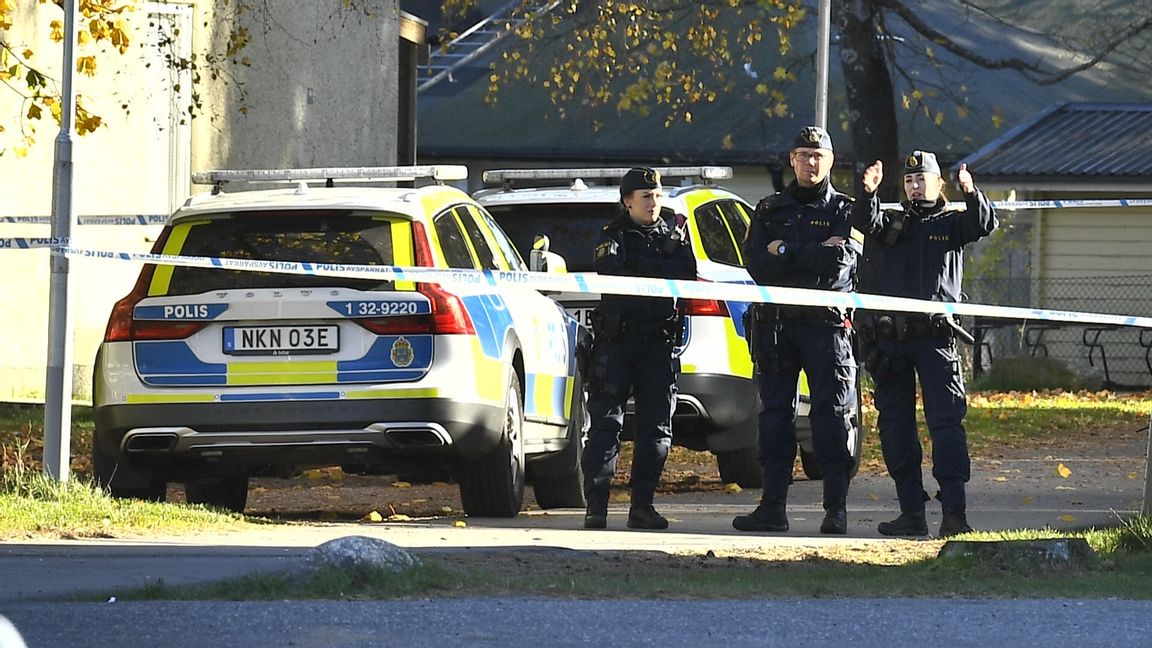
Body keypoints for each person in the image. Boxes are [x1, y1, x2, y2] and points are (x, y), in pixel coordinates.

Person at [853, 150, 998, 537]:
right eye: (909, 181)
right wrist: (868, 192)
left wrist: (971, 191)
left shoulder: (952, 223)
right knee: (896, 427)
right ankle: (911, 513)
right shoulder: (894, 223)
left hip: (935, 340)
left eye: (922, 180)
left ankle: (954, 514)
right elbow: (864, 222)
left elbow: (984, 223)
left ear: (938, 184)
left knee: (946, 424)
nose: (916, 187)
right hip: (892, 342)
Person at [733, 126, 862, 535]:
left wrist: (785, 252)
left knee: (830, 418)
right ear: (792, 159)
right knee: (774, 418)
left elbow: (840, 266)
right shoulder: (769, 209)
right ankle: (773, 508)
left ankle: (835, 510)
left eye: (818, 156)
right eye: (804, 155)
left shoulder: (846, 210)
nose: (811, 163)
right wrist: (811, 254)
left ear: (831, 161)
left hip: (825, 328)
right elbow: (757, 264)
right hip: (777, 327)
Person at [581, 167, 697, 530]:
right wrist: (659, 268)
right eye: (646, 196)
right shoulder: (612, 235)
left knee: (657, 430)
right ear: (627, 201)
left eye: (657, 195)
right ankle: (596, 507)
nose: (653, 202)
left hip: (658, 345)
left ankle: (642, 506)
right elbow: (612, 271)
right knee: (606, 427)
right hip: (617, 345)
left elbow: (687, 273)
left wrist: (650, 267)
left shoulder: (674, 235)